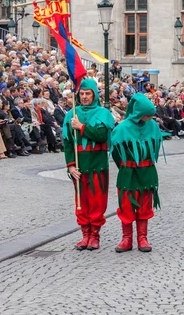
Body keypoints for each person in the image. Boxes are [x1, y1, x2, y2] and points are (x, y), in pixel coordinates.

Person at [63, 79, 115, 250]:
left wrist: (82, 127)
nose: (84, 97)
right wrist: (70, 165)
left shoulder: (103, 113)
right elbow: (68, 142)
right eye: (82, 94)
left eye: (88, 94)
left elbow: (101, 135)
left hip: (97, 164)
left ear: (94, 95)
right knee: (81, 201)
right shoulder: (72, 113)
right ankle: (85, 234)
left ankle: (94, 235)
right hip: (79, 166)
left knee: (96, 201)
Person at [111, 93, 164, 253]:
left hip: (147, 172)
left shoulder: (153, 126)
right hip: (128, 172)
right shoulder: (122, 128)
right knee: (126, 205)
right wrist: (126, 166)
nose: (149, 118)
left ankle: (142, 238)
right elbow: (115, 153)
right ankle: (127, 238)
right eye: (147, 115)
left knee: (145, 205)